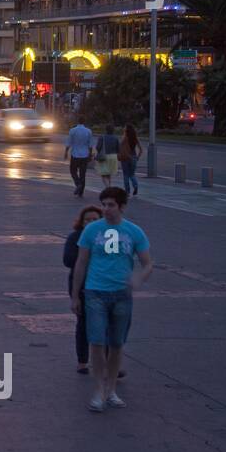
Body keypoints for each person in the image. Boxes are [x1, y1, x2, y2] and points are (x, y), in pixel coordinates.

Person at [70, 187, 153, 412]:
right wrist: (75, 294)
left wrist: (139, 278)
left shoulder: (134, 232)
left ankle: (111, 390)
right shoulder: (92, 231)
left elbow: (148, 263)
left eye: (111, 205)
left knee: (116, 344)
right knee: (96, 343)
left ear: (122, 207)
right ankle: (98, 390)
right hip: (95, 292)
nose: (106, 209)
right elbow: (81, 263)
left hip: (121, 295)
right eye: (104, 204)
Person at [64, 206, 103, 374]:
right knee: (84, 323)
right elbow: (68, 261)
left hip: (103, 286)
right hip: (81, 286)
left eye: (95, 219)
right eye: (87, 220)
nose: (91, 223)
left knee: (106, 324)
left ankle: (109, 362)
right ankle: (82, 361)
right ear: (81, 222)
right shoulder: (75, 237)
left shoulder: (107, 237)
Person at [64, 120, 94, 197]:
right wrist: (90, 154)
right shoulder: (88, 131)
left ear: (77, 122)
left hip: (75, 154)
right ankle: (81, 192)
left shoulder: (73, 130)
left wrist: (66, 152)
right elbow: (90, 145)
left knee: (73, 170)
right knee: (82, 173)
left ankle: (78, 184)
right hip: (84, 155)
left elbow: (69, 142)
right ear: (84, 122)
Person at [118, 124, 142, 196]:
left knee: (125, 175)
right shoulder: (135, 138)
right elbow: (141, 150)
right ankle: (135, 186)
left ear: (126, 130)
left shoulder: (125, 138)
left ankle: (127, 191)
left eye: (124, 128)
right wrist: (137, 157)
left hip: (125, 158)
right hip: (134, 157)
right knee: (132, 174)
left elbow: (120, 147)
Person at [94, 123, 120, 189]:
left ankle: (108, 188)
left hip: (104, 157)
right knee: (108, 174)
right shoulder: (116, 138)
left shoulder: (102, 137)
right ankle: (108, 188)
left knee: (103, 174)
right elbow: (118, 149)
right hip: (113, 157)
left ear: (106, 130)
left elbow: (98, 147)